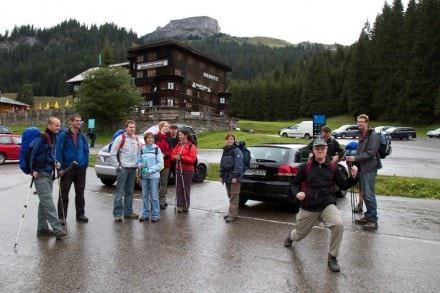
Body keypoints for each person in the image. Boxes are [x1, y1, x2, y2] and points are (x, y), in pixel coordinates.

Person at [284, 139, 359, 272]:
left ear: (326, 150)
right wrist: (297, 194)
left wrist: (353, 177)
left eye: (322, 148)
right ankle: (291, 236)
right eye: (317, 148)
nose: (320, 150)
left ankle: (332, 257)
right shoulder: (305, 167)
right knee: (300, 235)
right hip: (309, 204)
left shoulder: (333, 167)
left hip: (326, 202)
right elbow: (294, 184)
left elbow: (343, 185)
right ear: (313, 150)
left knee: (338, 225)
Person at [30, 117, 67, 239]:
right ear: (49, 125)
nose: (58, 128)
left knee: (43, 202)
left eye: (59, 125)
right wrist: (33, 170)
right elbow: (30, 153)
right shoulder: (41, 138)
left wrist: (56, 162)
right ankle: (58, 230)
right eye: (56, 125)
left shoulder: (52, 138)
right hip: (40, 175)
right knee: (49, 203)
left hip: (49, 174)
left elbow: (49, 155)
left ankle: (42, 229)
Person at [346, 114, 381, 231]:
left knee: (369, 194)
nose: (359, 123)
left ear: (367, 123)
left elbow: (370, 153)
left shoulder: (373, 136)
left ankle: (373, 220)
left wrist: (355, 159)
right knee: (365, 193)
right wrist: (354, 162)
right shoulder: (362, 136)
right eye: (358, 122)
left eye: (362, 122)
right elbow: (360, 152)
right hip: (362, 169)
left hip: (370, 169)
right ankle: (368, 216)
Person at [56, 114, 89, 225]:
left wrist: (85, 163)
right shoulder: (63, 136)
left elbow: (86, 151)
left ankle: (80, 214)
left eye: (80, 121)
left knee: (80, 192)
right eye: (76, 121)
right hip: (67, 167)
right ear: (71, 122)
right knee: (64, 192)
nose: (78, 123)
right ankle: (62, 217)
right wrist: (60, 167)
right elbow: (58, 152)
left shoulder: (82, 136)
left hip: (80, 167)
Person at [110, 120, 141, 222]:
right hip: (123, 168)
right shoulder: (120, 138)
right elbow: (112, 154)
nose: (132, 129)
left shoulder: (136, 139)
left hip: (133, 168)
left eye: (133, 127)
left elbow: (139, 153)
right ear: (126, 128)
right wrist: (118, 166)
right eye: (130, 127)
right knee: (119, 192)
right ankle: (118, 214)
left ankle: (128, 212)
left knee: (130, 192)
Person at [138, 132, 163, 222]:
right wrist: (140, 165)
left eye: (152, 138)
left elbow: (159, 163)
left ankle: (155, 215)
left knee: (154, 195)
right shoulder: (142, 149)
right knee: (145, 196)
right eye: (148, 138)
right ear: (145, 139)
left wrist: (151, 170)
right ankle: (145, 214)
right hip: (144, 176)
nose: (150, 139)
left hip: (154, 176)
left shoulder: (157, 149)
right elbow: (139, 161)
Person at [219, 133, 244, 223]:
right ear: (226, 140)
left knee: (234, 195)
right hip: (227, 176)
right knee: (230, 194)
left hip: (234, 176)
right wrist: (221, 175)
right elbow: (222, 163)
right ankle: (231, 212)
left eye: (232, 139)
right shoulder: (225, 149)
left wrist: (235, 176)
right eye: (228, 139)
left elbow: (239, 164)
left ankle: (233, 215)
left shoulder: (237, 150)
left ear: (234, 140)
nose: (230, 140)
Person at [171, 128, 197, 213]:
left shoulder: (191, 146)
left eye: (181, 135)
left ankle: (186, 205)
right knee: (178, 188)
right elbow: (172, 154)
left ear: (186, 136)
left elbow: (192, 159)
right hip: (178, 168)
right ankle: (179, 205)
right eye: (179, 135)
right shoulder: (178, 145)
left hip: (188, 170)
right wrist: (175, 157)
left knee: (186, 187)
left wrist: (182, 158)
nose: (179, 136)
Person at [154, 121, 172, 209]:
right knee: (154, 182)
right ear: (161, 127)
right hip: (155, 164)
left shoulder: (169, 139)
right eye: (165, 126)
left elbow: (171, 151)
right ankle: (154, 200)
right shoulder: (155, 137)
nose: (167, 128)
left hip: (166, 164)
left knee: (164, 183)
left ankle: (162, 201)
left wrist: (165, 154)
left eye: (168, 126)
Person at [343, 141, 364, 213]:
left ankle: (360, 204)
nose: (348, 156)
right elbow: (349, 167)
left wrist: (355, 179)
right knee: (359, 188)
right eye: (347, 155)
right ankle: (360, 204)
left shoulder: (358, 158)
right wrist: (351, 179)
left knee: (361, 188)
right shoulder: (348, 158)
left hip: (362, 172)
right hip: (355, 172)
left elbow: (358, 168)